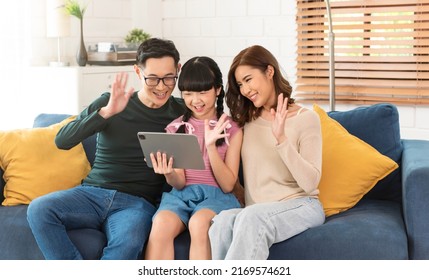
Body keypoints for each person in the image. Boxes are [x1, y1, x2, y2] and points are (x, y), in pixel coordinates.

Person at [26, 38, 186, 260]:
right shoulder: (111, 102)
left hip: (137, 203)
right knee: (39, 209)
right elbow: (62, 140)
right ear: (138, 73)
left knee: (128, 243)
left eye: (169, 78)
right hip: (92, 194)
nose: (161, 87)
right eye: (152, 79)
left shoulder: (183, 112)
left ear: (178, 70)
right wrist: (107, 112)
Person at [208, 45, 325, 260]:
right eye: (240, 84)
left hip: (301, 205)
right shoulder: (247, 121)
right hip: (258, 209)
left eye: (248, 79)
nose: (244, 90)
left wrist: (281, 139)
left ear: (269, 72)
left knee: (252, 217)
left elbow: (311, 183)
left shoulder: (305, 118)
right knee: (222, 222)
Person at [144, 56, 242, 260]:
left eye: (202, 92)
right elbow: (179, 183)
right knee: (161, 222)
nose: (195, 101)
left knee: (199, 223)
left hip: (217, 197)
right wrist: (169, 172)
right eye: (188, 93)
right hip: (180, 196)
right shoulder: (176, 128)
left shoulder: (232, 129)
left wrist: (211, 147)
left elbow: (227, 185)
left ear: (217, 90)